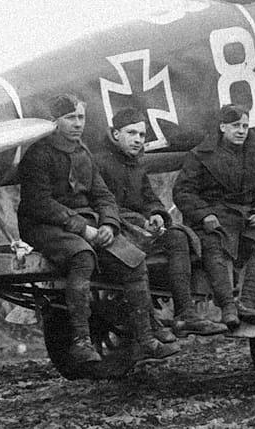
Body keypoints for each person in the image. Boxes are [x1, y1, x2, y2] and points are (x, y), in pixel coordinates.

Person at [16, 93, 180, 365]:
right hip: (43, 225)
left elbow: (103, 196)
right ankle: (81, 342)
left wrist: (108, 223)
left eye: (81, 117)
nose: (78, 123)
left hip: (85, 222)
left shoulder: (82, 152)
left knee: (134, 260)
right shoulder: (39, 155)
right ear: (54, 121)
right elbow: (40, 202)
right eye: (70, 118)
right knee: (82, 255)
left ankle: (147, 338)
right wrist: (84, 229)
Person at [94, 107, 227, 337]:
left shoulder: (135, 163)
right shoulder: (100, 163)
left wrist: (155, 213)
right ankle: (149, 323)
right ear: (116, 135)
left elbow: (148, 197)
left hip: (137, 227)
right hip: (114, 227)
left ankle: (185, 313)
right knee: (136, 251)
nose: (138, 140)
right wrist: (139, 221)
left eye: (142, 135)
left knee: (177, 236)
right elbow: (102, 203)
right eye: (131, 133)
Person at [173, 104, 255, 328]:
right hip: (212, 217)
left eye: (245, 126)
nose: (241, 131)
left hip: (243, 219)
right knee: (213, 244)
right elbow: (182, 192)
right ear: (222, 127)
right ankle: (228, 306)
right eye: (235, 125)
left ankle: (246, 302)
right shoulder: (201, 155)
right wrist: (204, 215)